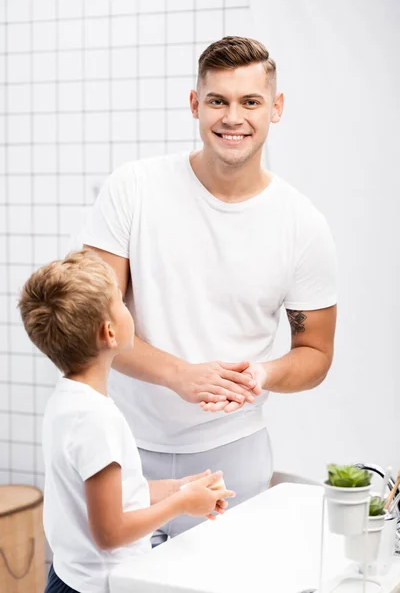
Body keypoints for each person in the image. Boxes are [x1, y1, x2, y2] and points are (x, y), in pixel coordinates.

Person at [83, 36, 337, 545]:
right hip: (123, 448)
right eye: (218, 100)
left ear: (276, 108)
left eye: (250, 102)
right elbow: (92, 325)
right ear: (195, 104)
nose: (232, 117)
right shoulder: (133, 189)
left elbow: (315, 353)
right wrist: (180, 375)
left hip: (234, 456)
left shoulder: (302, 224)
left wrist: (262, 374)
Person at [18, 250, 234, 593]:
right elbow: (110, 533)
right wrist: (182, 504)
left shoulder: (68, 399)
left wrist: (181, 487)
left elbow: (115, 498)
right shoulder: (96, 419)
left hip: (69, 578)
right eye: (120, 301)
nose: (128, 307)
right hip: (100, 586)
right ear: (109, 332)